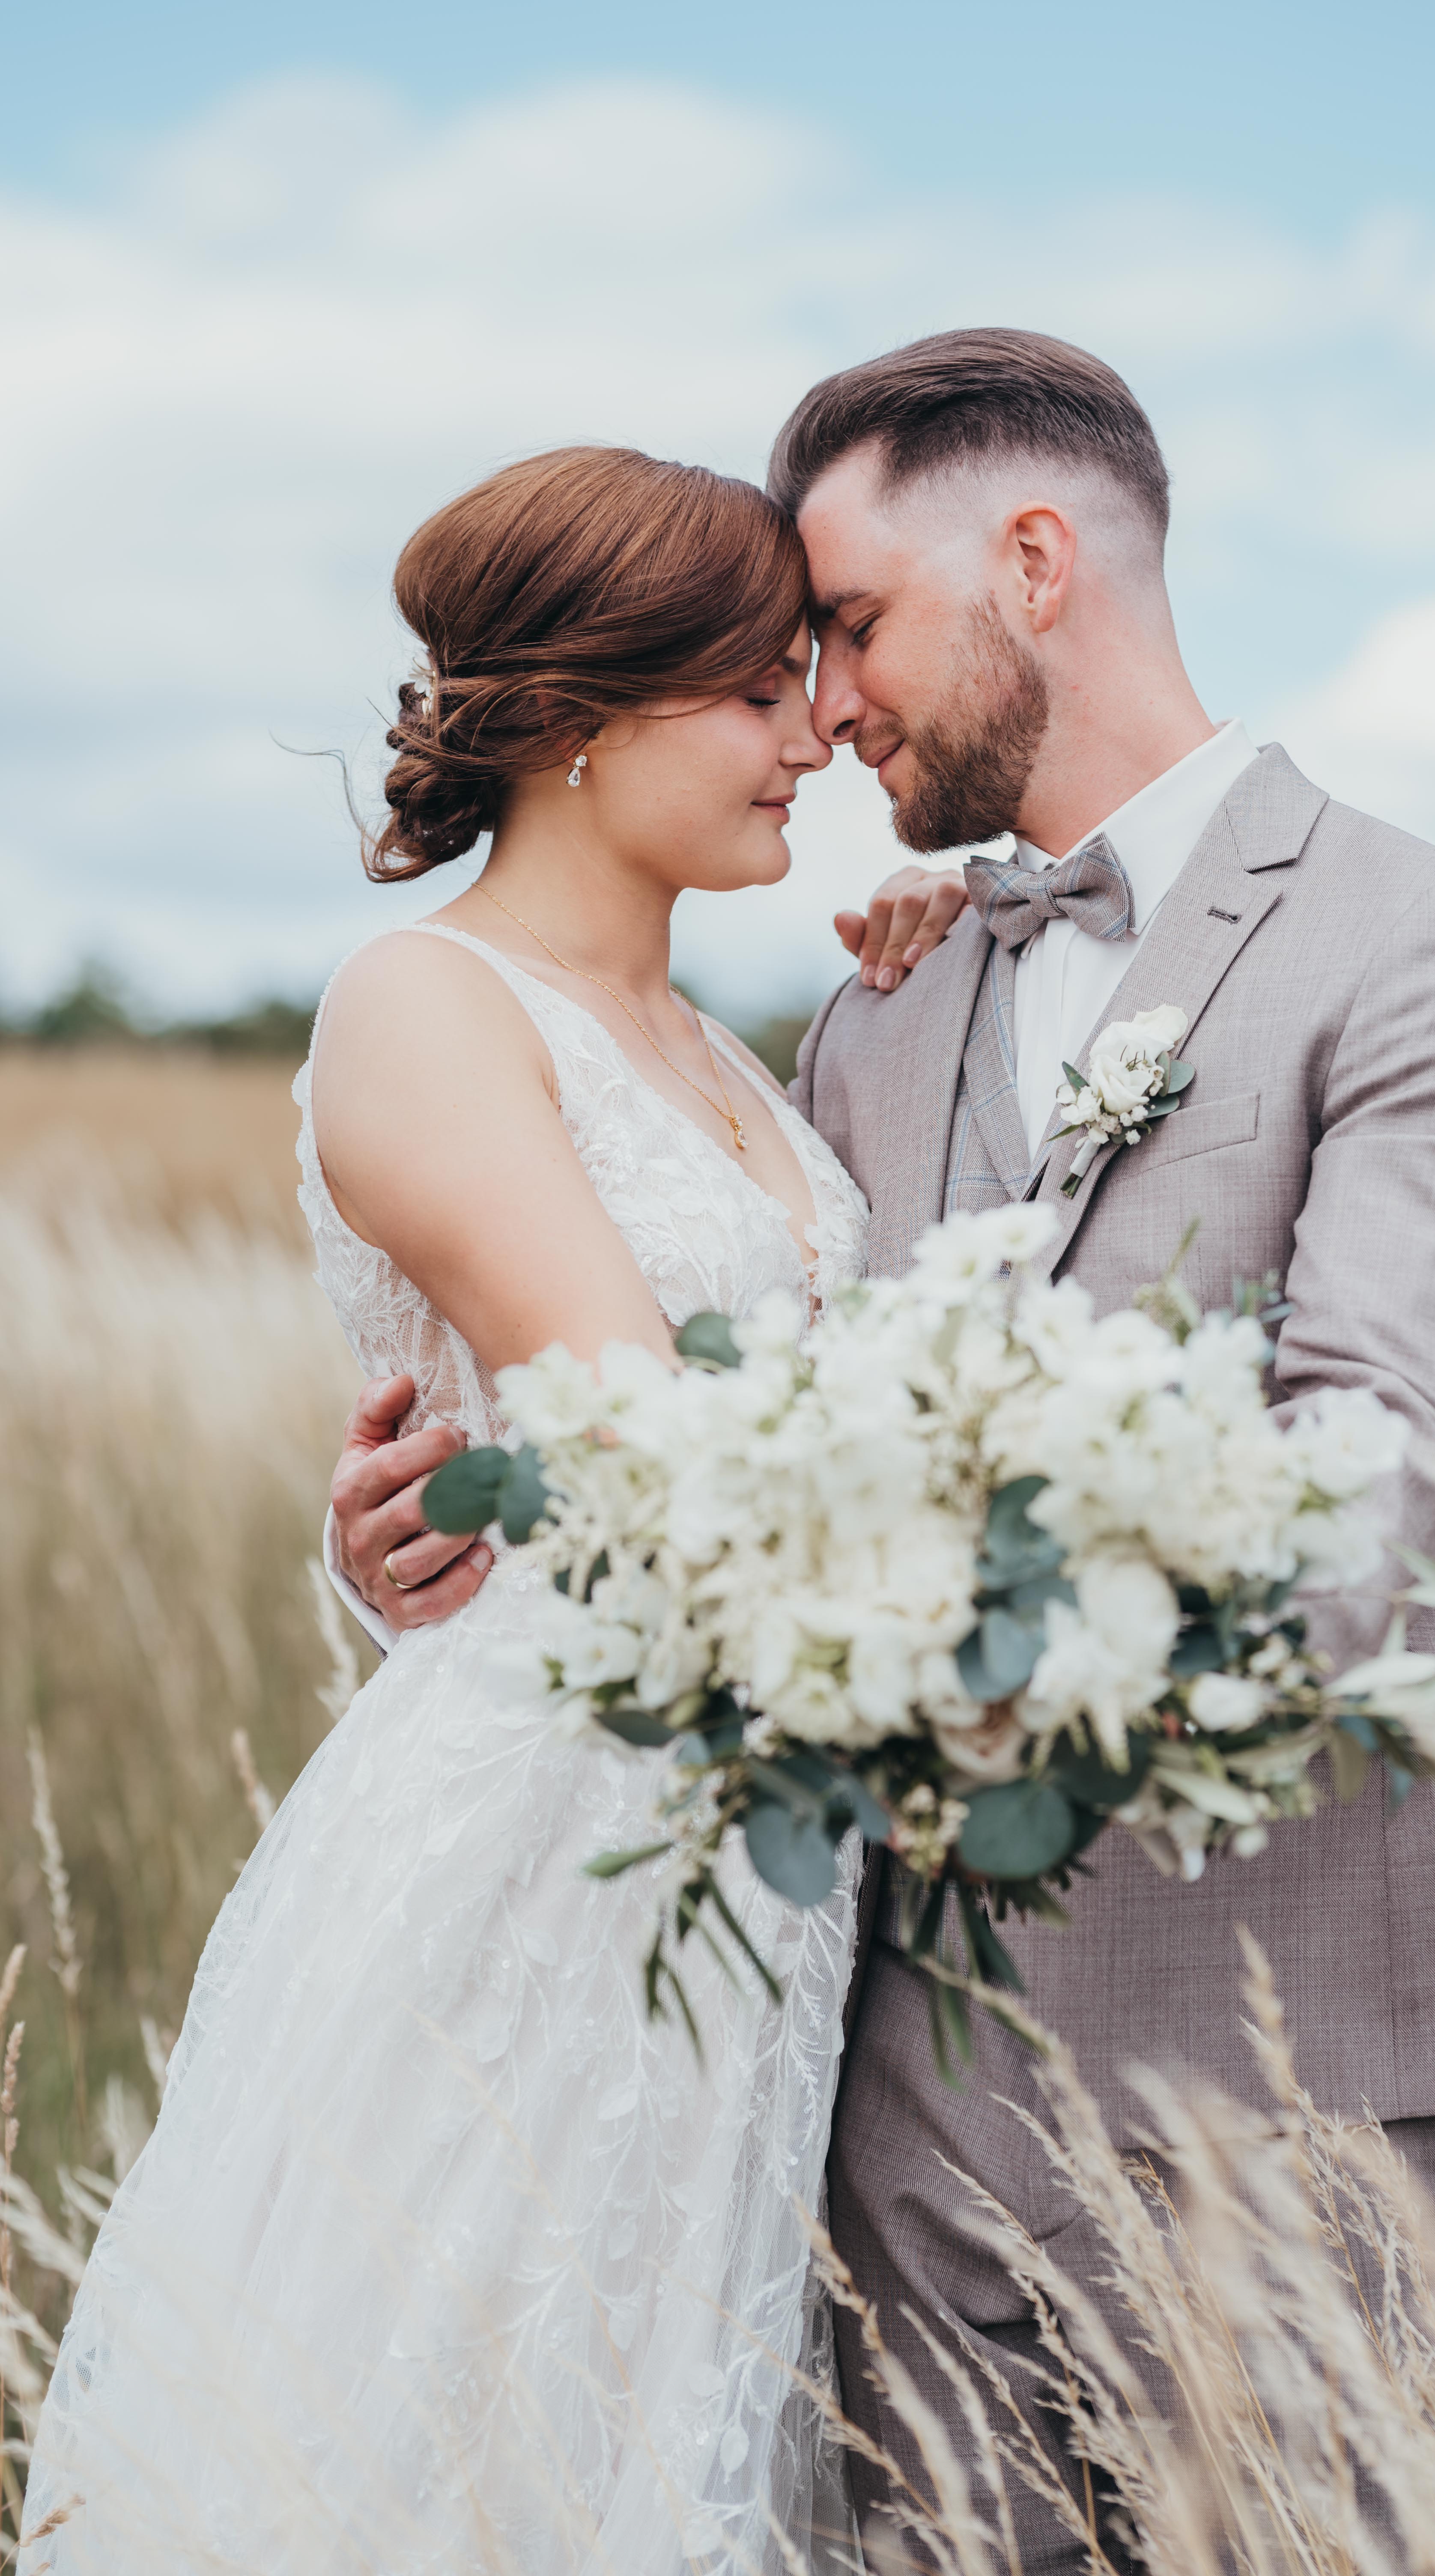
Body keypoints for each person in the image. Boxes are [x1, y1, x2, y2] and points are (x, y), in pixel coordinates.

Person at [328, 331, 1435, 2571]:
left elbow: (1379, 1474)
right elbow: (740, 1413)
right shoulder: (874, 1005)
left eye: (847, 630)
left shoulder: (1433, 942)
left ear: (1033, 564)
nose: (826, 708)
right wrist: (478, 1532)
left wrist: (950, 1681)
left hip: (1296, 2051)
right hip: (887, 2088)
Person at [22, 447, 875, 2574]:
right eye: (763, 688)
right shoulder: (421, 1001)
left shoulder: (726, 1043)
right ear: (585, 716)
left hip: (763, 1846)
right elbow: (623, 1415)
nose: (819, 731)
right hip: (549, 1859)